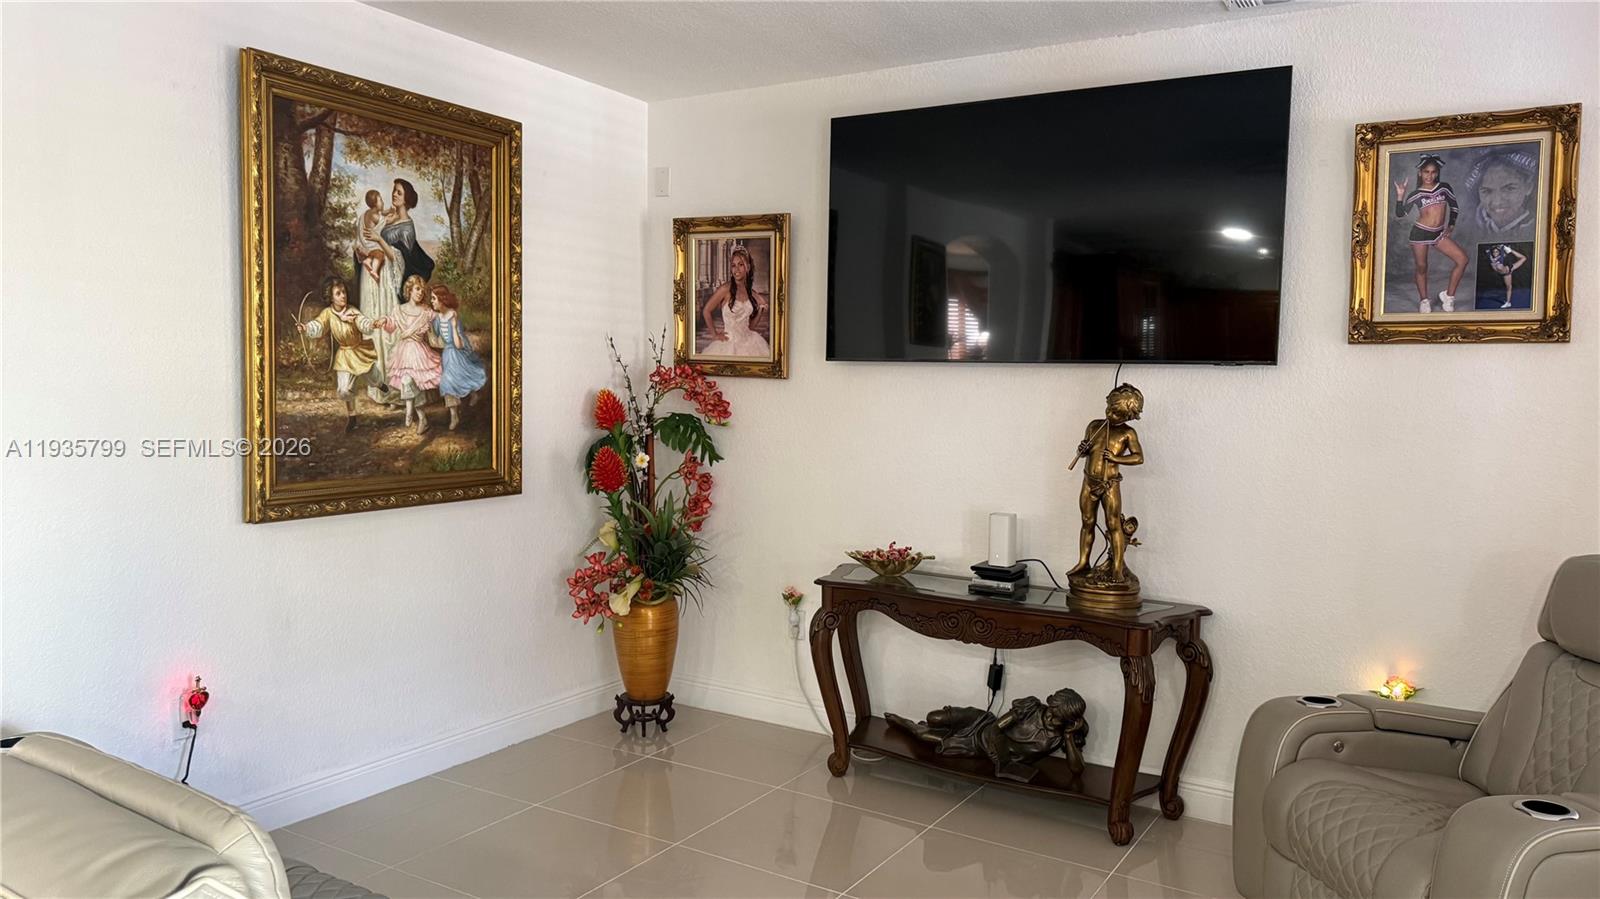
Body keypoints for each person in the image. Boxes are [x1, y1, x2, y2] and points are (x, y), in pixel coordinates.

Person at [1067, 384, 1145, 585]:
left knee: (1113, 525)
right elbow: (1087, 451)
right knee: (1087, 522)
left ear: (1128, 416)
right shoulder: (1094, 425)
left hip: (1109, 485)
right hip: (1088, 483)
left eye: (1116, 413)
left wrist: (1116, 458)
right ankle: (1083, 562)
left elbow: (1138, 458)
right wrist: (1083, 449)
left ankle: (1117, 569)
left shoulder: (1128, 433)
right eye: (1109, 408)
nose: (1109, 414)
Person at [295, 279, 380, 433]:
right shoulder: (328, 313)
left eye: (344, 292)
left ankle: (379, 384)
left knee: (373, 377)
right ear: (331, 297)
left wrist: (372, 324)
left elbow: (363, 322)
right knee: (344, 389)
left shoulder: (352, 311)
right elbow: (318, 326)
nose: (343, 296)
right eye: (338, 293)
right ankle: (352, 416)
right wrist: (306, 327)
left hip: (359, 350)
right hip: (345, 354)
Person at [1394, 155, 1468, 313]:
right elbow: (1400, 214)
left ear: (1437, 173)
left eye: (1433, 172)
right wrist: (1400, 195)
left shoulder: (1444, 187)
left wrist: (1451, 225)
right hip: (1420, 234)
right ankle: (1424, 300)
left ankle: (1448, 297)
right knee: (1422, 267)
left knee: (1462, 260)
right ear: (1420, 173)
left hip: (1438, 233)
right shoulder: (1415, 194)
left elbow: (1454, 207)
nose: (1430, 175)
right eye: (1426, 172)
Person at [379, 275, 442, 434]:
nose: (421, 292)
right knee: (406, 381)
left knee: (416, 384)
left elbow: (441, 320)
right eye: (417, 289)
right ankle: (415, 414)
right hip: (403, 352)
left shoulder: (427, 311)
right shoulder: (399, 310)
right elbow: (392, 326)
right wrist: (384, 321)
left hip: (420, 352)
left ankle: (417, 416)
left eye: (422, 289)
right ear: (409, 290)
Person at [429, 284, 486, 431]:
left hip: (459, 351)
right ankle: (454, 415)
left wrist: (453, 326)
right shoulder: (436, 320)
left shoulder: (453, 316)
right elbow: (435, 339)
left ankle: (473, 393)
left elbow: (459, 344)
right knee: (447, 382)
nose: (432, 302)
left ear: (442, 300)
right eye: (432, 299)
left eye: (434, 299)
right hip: (448, 354)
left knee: (465, 376)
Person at [698, 245, 770, 357]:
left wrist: (760, 310)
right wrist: (715, 334)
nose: (736, 269)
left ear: (748, 267)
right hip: (728, 343)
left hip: (750, 342)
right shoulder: (725, 289)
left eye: (740, 265)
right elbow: (706, 310)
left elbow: (750, 327)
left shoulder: (750, 292)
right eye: (733, 265)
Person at [382, 178, 435, 305]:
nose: (394, 194)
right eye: (394, 191)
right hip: (382, 272)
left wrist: (379, 240)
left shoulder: (407, 229)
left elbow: (403, 260)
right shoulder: (391, 218)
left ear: (407, 198)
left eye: (399, 193)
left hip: (391, 277)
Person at [1466, 149, 1538, 236]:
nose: (1497, 202)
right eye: (1487, 191)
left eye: (1509, 189)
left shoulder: (1536, 228)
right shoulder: (1469, 229)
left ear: (1528, 187)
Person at [1485, 244, 1528, 309]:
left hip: (1508, 270)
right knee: (1509, 287)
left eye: (1497, 252)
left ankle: (1510, 250)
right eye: (1494, 252)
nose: (1495, 253)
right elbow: (1488, 253)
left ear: (1499, 252)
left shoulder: (1500, 258)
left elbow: (1502, 257)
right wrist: (1489, 251)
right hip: (1505, 272)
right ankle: (1508, 302)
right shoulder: (1492, 258)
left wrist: (1502, 248)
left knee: (1524, 258)